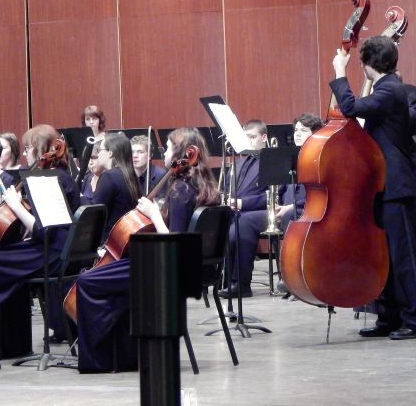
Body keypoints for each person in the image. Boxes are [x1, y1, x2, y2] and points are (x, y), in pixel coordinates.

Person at [74, 127, 218, 373]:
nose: (165, 153)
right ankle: (126, 355)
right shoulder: (202, 185)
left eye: (169, 148)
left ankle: (99, 360)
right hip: (193, 269)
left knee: (88, 281)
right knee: (112, 284)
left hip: (169, 270)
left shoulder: (180, 191)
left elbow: (176, 243)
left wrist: (154, 215)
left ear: (181, 153)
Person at [0, 124, 79, 359]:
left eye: (28, 147)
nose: (26, 153)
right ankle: (11, 342)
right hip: (61, 250)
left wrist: (16, 205)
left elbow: (42, 231)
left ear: (41, 149)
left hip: (51, 253)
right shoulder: (63, 176)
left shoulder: (48, 180)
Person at [331, 35, 416, 340]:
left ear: (367, 64)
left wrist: (339, 70)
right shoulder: (388, 90)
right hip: (384, 185)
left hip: (396, 185)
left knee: (403, 255)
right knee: (385, 254)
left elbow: (349, 106)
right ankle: (390, 316)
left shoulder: (389, 90)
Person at [219, 119, 270, 299]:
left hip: (262, 213)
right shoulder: (238, 164)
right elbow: (226, 190)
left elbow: (274, 196)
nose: (248, 141)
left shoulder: (271, 161)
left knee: (238, 229)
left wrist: (243, 203)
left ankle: (240, 284)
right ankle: (221, 279)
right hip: (238, 214)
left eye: (252, 137)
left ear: (264, 138)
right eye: (246, 137)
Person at [277, 113, 323, 232]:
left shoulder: (320, 160)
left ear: (315, 134)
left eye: (303, 130)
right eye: (296, 130)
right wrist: (276, 206)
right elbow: (281, 190)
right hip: (285, 209)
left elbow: (319, 196)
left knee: (289, 216)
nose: (297, 134)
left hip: (306, 210)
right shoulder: (290, 158)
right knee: (248, 220)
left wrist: (290, 207)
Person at [93, 132, 141, 240]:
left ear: (110, 153)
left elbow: (97, 214)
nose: (98, 154)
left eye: (100, 150)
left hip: (109, 240)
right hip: (125, 239)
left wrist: (82, 198)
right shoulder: (132, 175)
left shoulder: (108, 177)